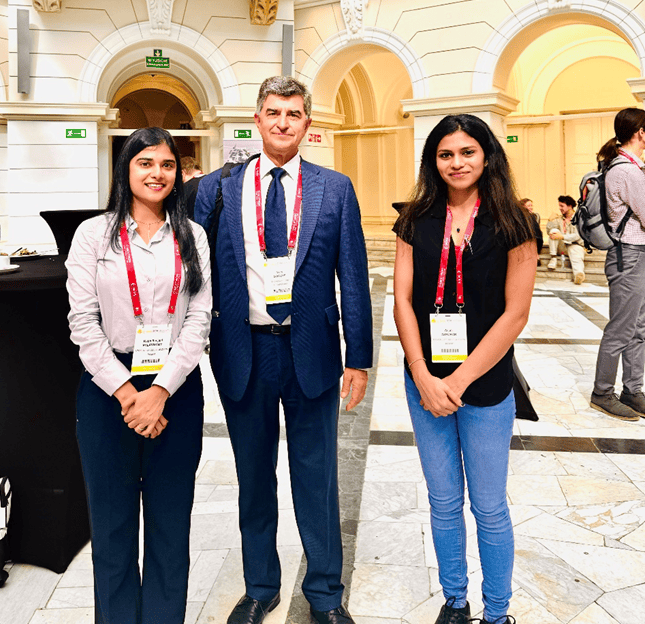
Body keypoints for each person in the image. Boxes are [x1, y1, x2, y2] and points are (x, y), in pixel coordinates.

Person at [193, 76, 372, 624]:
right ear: (257, 117)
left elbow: (354, 277)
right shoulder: (216, 189)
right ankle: (260, 586)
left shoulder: (335, 188)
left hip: (311, 351)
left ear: (307, 123)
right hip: (243, 351)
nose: (282, 122)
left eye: (293, 113)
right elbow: (195, 271)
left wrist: (359, 358)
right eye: (272, 112)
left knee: (316, 477)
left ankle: (324, 593)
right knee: (254, 476)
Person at [393, 114, 537, 624]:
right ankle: (456, 602)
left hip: (485, 385)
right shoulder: (414, 219)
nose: (457, 162)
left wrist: (456, 380)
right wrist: (423, 375)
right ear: (433, 161)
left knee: (489, 507)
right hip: (425, 384)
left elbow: (514, 315)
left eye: (467, 152)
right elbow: (403, 302)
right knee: (443, 501)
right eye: (446, 154)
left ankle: (497, 613)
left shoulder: (515, 223)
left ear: (487, 155)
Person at [66, 127, 212, 624]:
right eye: (145, 163)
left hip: (175, 386)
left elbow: (198, 320)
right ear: (125, 169)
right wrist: (131, 394)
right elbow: (82, 323)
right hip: (110, 391)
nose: (157, 173)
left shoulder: (193, 236)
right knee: (111, 532)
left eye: (167, 165)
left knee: (171, 531)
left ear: (177, 173)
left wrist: (160, 392)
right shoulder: (93, 234)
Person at [590, 107, 645, 422]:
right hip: (628, 254)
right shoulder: (626, 171)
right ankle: (602, 393)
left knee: (638, 328)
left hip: (637, 253)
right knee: (621, 328)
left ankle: (632, 390)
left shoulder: (631, 167)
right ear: (640, 133)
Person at [546, 195, 586, 284]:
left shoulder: (579, 219)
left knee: (576, 253)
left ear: (569, 206)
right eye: (559, 206)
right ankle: (553, 258)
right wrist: (550, 221)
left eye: (562, 206)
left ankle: (578, 274)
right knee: (553, 230)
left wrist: (562, 237)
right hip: (561, 246)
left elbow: (578, 236)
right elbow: (549, 232)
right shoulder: (558, 219)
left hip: (575, 245)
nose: (559, 208)